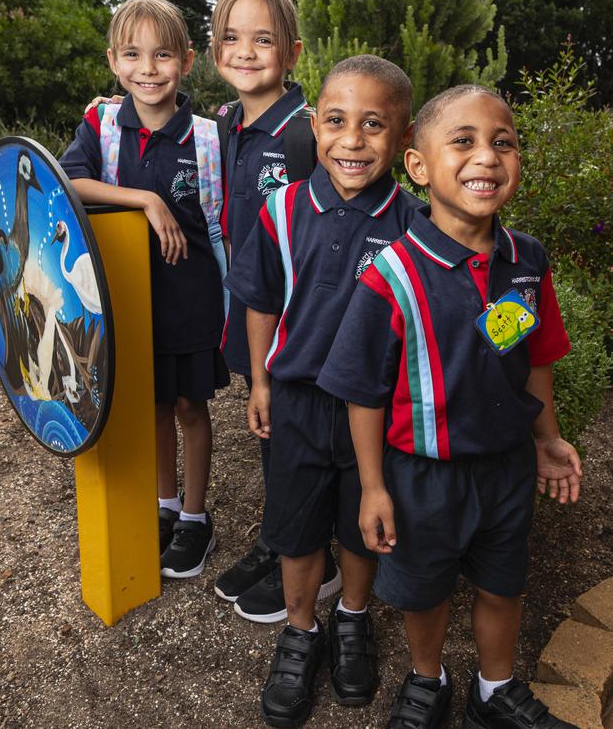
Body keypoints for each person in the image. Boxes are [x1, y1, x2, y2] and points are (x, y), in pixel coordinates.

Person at [318, 85, 582, 729]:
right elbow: (362, 392)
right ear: (419, 166)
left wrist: (546, 440)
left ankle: (494, 689)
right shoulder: (393, 274)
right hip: (421, 477)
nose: (486, 157)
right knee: (424, 590)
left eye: (503, 142)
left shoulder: (526, 262)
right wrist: (373, 488)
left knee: (502, 583)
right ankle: (427, 681)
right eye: (462, 142)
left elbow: (534, 359)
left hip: (505, 468)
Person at [225, 55, 424, 727]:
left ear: (402, 140)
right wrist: (259, 378)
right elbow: (259, 300)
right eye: (337, 121)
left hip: (378, 413)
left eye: (374, 125)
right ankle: (302, 630)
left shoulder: (415, 223)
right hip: (298, 402)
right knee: (296, 530)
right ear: (315, 126)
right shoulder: (283, 208)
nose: (352, 140)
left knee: (362, 529)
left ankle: (353, 621)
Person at [59, 0, 229, 580]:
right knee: (153, 405)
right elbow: (71, 182)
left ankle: (196, 517)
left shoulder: (208, 136)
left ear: (185, 60)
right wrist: (145, 199)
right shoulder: (102, 125)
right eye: (132, 55)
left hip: (191, 300)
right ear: (113, 61)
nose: (147, 69)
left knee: (189, 405)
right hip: (129, 300)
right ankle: (164, 504)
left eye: (161, 55)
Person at [210, 0, 340, 624]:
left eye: (264, 39)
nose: (246, 51)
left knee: (296, 440)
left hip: (299, 325)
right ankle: (277, 538)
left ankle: (318, 556)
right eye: (232, 37)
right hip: (252, 311)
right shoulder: (228, 122)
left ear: (291, 53)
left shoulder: (303, 132)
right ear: (214, 48)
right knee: (269, 435)